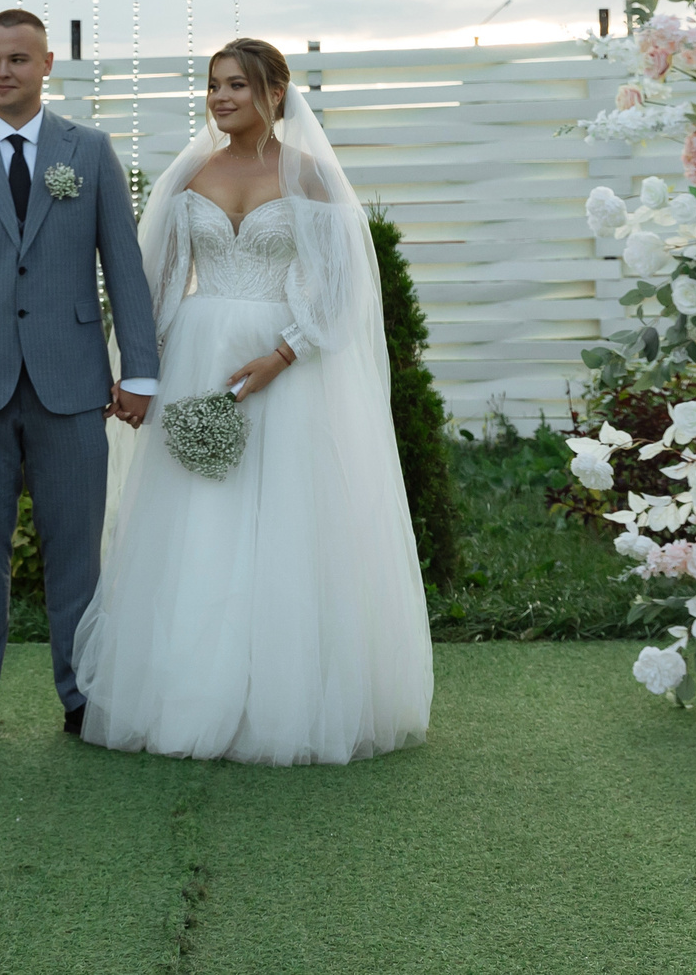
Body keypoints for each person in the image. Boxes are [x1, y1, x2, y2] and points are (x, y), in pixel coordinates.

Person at [72, 38, 432, 764]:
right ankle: (188, 692)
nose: (221, 97)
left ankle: (283, 699)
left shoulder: (309, 176)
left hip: (284, 366)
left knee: (286, 522)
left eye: (236, 84)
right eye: (213, 86)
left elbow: (339, 289)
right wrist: (146, 373)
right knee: (198, 520)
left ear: (275, 91)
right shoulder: (190, 175)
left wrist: (282, 354)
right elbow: (159, 287)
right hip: (199, 362)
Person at [0, 8, 161, 748]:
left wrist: (139, 369)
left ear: (48, 65)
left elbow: (125, 272)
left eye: (16, 59)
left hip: (72, 385)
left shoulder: (92, 150)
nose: (1, 72)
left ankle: (84, 697)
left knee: (75, 551)